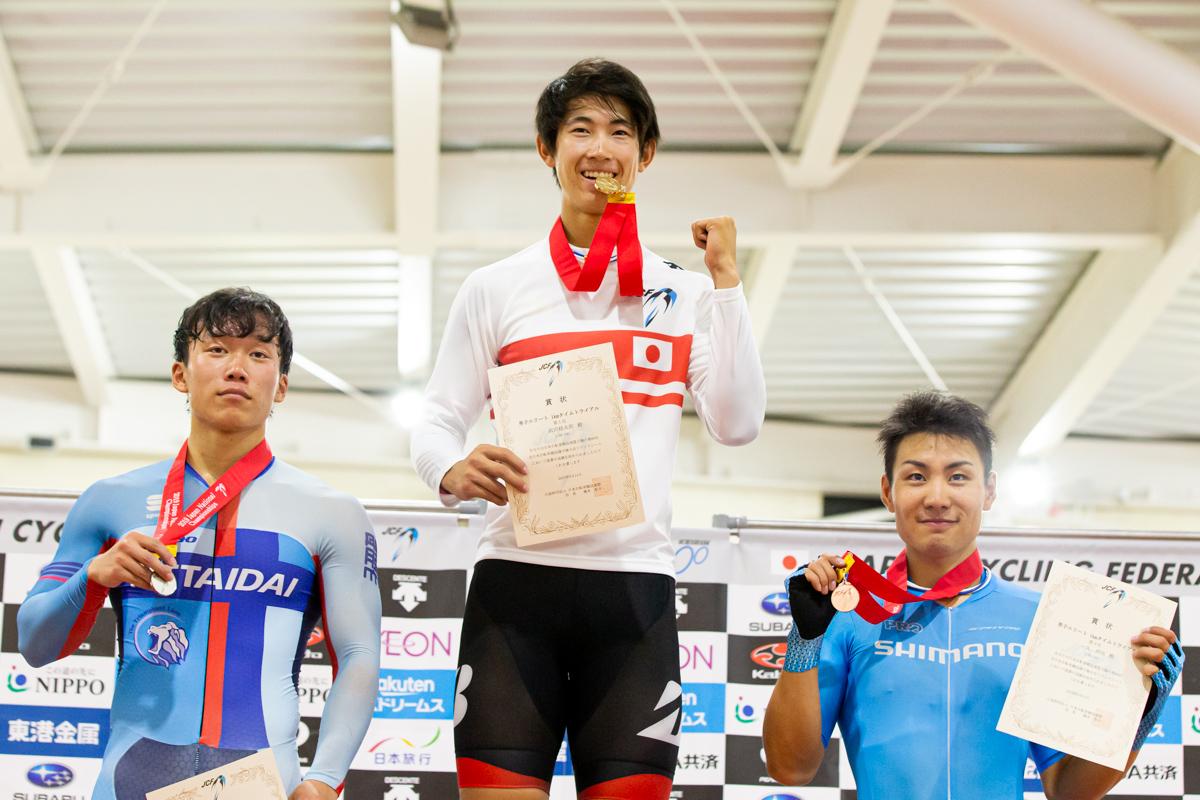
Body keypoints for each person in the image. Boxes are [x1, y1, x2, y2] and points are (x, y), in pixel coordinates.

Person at [411, 58, 766, 799]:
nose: (599, 147)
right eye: (579, 129)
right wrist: (448, 468)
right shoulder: (496, 287)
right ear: (548, 150)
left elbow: (737, 424)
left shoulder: (687, 292)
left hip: (634, 597)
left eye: (619, 131)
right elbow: (438, 417)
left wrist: (728, 284)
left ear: (646, 153)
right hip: (515, 591)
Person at [18, 288, 382, 800]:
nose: (238, 368)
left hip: (266, 782)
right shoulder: (109, 502)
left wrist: (324, 780)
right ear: (179, 375)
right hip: (130, 779)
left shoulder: (332, 512)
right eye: (217, 349)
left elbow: (360, 655)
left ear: (280, 386)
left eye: (259, 354)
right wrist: (94, 576)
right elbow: (34, 645)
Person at [762, 390, 1184, 799]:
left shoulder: (1039, 617)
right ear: (888, 492)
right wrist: (804, 641)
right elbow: (791, 769)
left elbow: (1067, 790)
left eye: (958, 476)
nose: (937, 497)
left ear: (989, 491)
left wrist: (1136, 715)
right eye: (916, 476)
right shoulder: (851, 615)